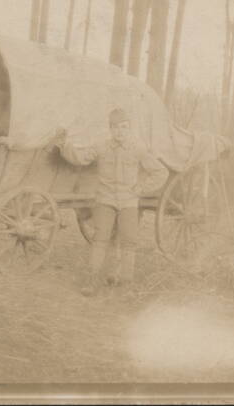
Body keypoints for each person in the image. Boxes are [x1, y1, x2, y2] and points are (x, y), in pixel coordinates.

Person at [54, 108, 168, 296]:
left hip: (129, 202)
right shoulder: (102, 146)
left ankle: (126, 285)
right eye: (116, 128)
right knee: (100, 240)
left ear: (129, 128)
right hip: (105, 200)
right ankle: (91, 282)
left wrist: (141, 188)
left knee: (129, 242)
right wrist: (64, 145)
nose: (120, 132)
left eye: (124, 127)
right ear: (110, 129)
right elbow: (81, 158)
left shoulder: (137, 148)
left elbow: (160, 172)